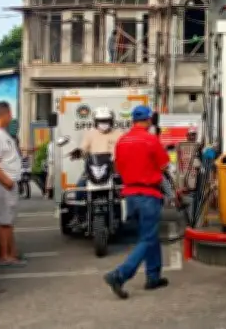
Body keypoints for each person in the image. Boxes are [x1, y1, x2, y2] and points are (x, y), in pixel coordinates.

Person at [104, 105, 173, 299]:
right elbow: (165, 167)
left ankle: (153, 276)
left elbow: (117, 168)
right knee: (147, 238)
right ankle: (119, 275)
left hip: (130, 196)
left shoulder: (122, 141)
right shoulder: (151, 140)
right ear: (149, 119)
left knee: (149, 236)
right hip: (148, 194)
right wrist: (173, 192)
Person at [0, 101, 26, 266]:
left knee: (8, 220)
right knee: (4, 221)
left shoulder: (0, 133)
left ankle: (12, 253)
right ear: (3, 114)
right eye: (10, 114)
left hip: (9, 183)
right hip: (3, 185)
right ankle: (4, 256)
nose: (11, 117)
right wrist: (7, 182)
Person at [70, 107, 124, 198]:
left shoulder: (119, 134)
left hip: (114, 169)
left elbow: (125, 149)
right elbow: (84, 148)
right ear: (95, 121)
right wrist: (78, 152)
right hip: (93, 169)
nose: (103, 123)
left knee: (126, 190)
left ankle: (124, 210)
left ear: (111, 121)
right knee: (79, 188)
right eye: (101, 121)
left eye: (106, 120)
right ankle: (78, 211)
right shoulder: (90, 134)